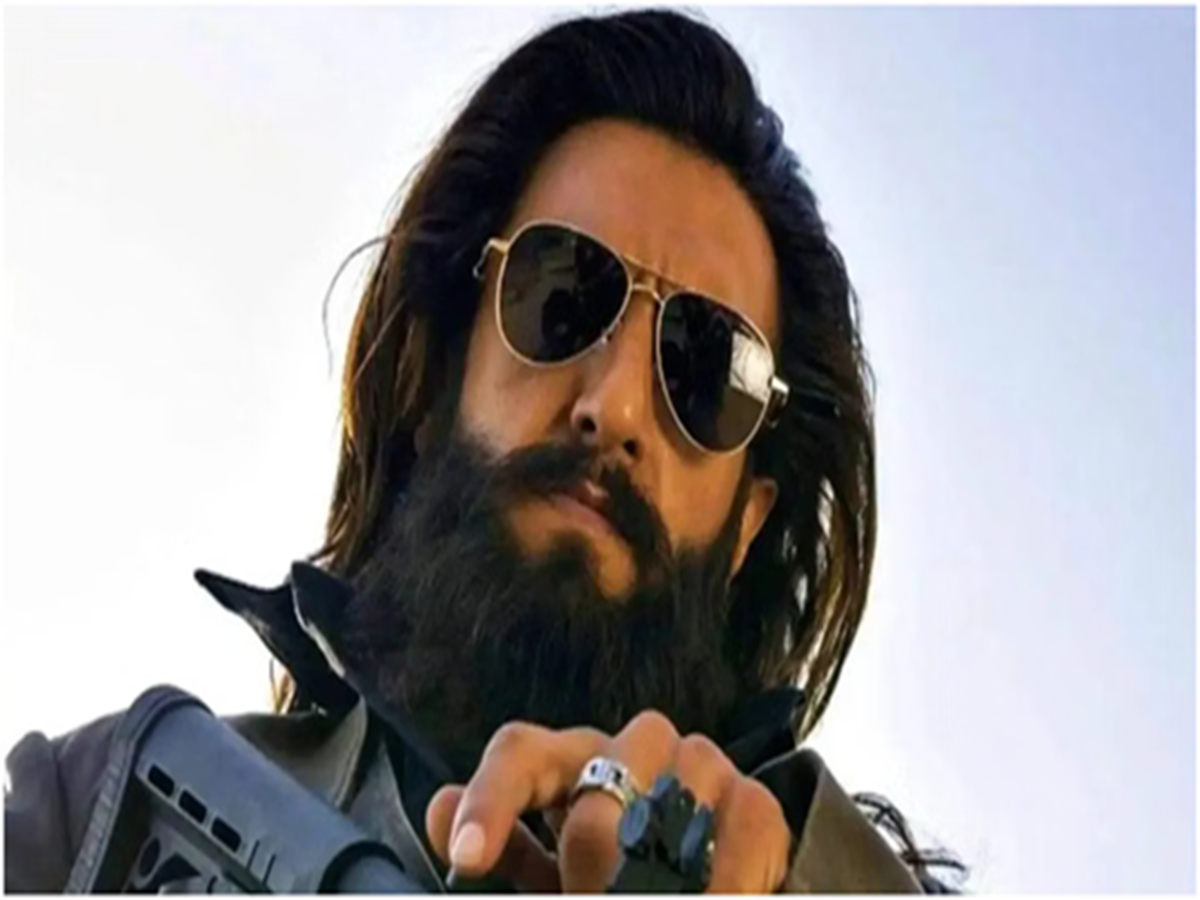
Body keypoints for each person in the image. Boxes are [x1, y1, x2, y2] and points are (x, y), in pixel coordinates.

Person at [4, 9, 964, 893]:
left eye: (709, 372)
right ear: (435, 378)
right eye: (561, 294)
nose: (616, 407)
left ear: (748, 523)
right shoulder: (91, 813)